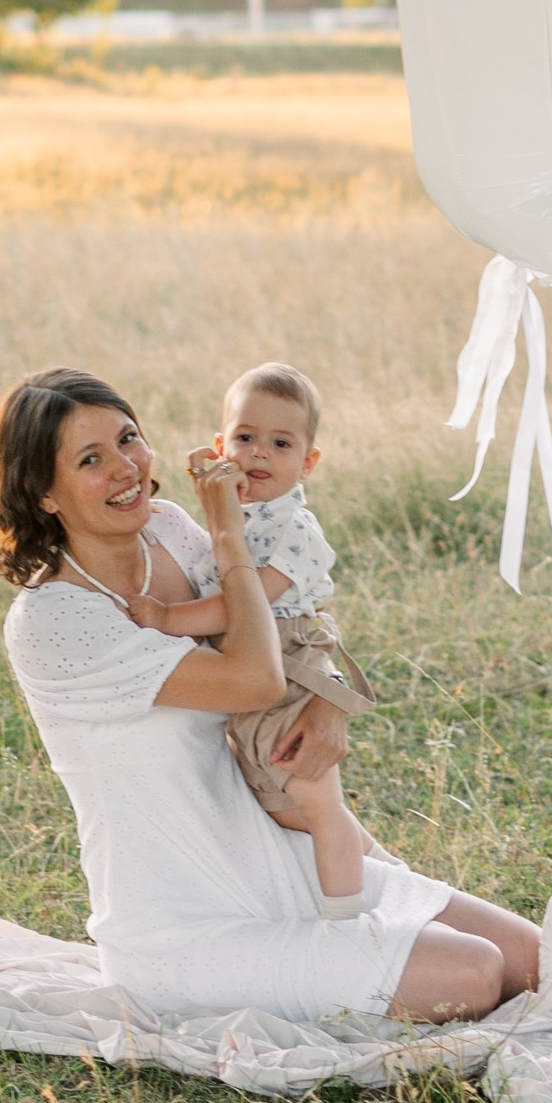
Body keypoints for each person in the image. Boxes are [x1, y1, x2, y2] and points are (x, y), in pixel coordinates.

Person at [0, 363, 543, 1024]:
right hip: (184, 925)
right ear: (44, 494)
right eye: (90, 459)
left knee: (533, 958)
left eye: (128, 438)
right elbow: (255, 679)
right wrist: (228, 536)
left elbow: (288, 616)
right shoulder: (54, 619)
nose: (125, 468)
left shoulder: (168, 531)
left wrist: (330, 699)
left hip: (273, 851)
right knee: (475, 973)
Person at [124, 358, 375, 919]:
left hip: (287, 665)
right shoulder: (238, 514)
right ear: (223, 446)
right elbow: (205, 481)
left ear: (307, 463)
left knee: (317, 803)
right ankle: (378, 882)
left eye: (281, 444)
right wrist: (210, 471)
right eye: (245, 438)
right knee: (283, 807)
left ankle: (349, 916)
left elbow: (247, 604)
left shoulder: (294, 528)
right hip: (254, 679)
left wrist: (167, 617)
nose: (259, 454)